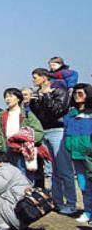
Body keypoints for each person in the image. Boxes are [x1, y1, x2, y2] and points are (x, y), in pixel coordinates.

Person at [29, 67, 76, 215]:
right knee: (52, 170)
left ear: (44, 77)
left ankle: (71, 203)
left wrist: (47, 96)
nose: (33, 80)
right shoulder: (38, 93)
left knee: (64, 169)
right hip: (45, 131)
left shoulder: (58, 90)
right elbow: (38, 115)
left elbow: (58, 110)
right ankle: (57, 201)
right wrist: (34, 102)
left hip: (57, 130)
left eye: (36, 77)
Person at [0, 88, 44, 180]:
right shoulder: (1, 115)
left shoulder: (27, 114)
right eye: (6, 97)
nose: (7, 99)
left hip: (24, 150)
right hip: (7, 149)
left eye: (10, 96)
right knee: (9, 176)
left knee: (24, 175)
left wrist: (27, 141)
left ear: (18, 99)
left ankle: (25, 193)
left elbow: (39, 131)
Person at [64, 83, 92, 224]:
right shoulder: (71, 114)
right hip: (76, 155)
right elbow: (67, 134)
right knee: (83, 185)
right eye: (75, 93)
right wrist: (68, 146)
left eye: (80, 93)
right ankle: (88, 212)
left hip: (90, 155)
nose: (77, 96)